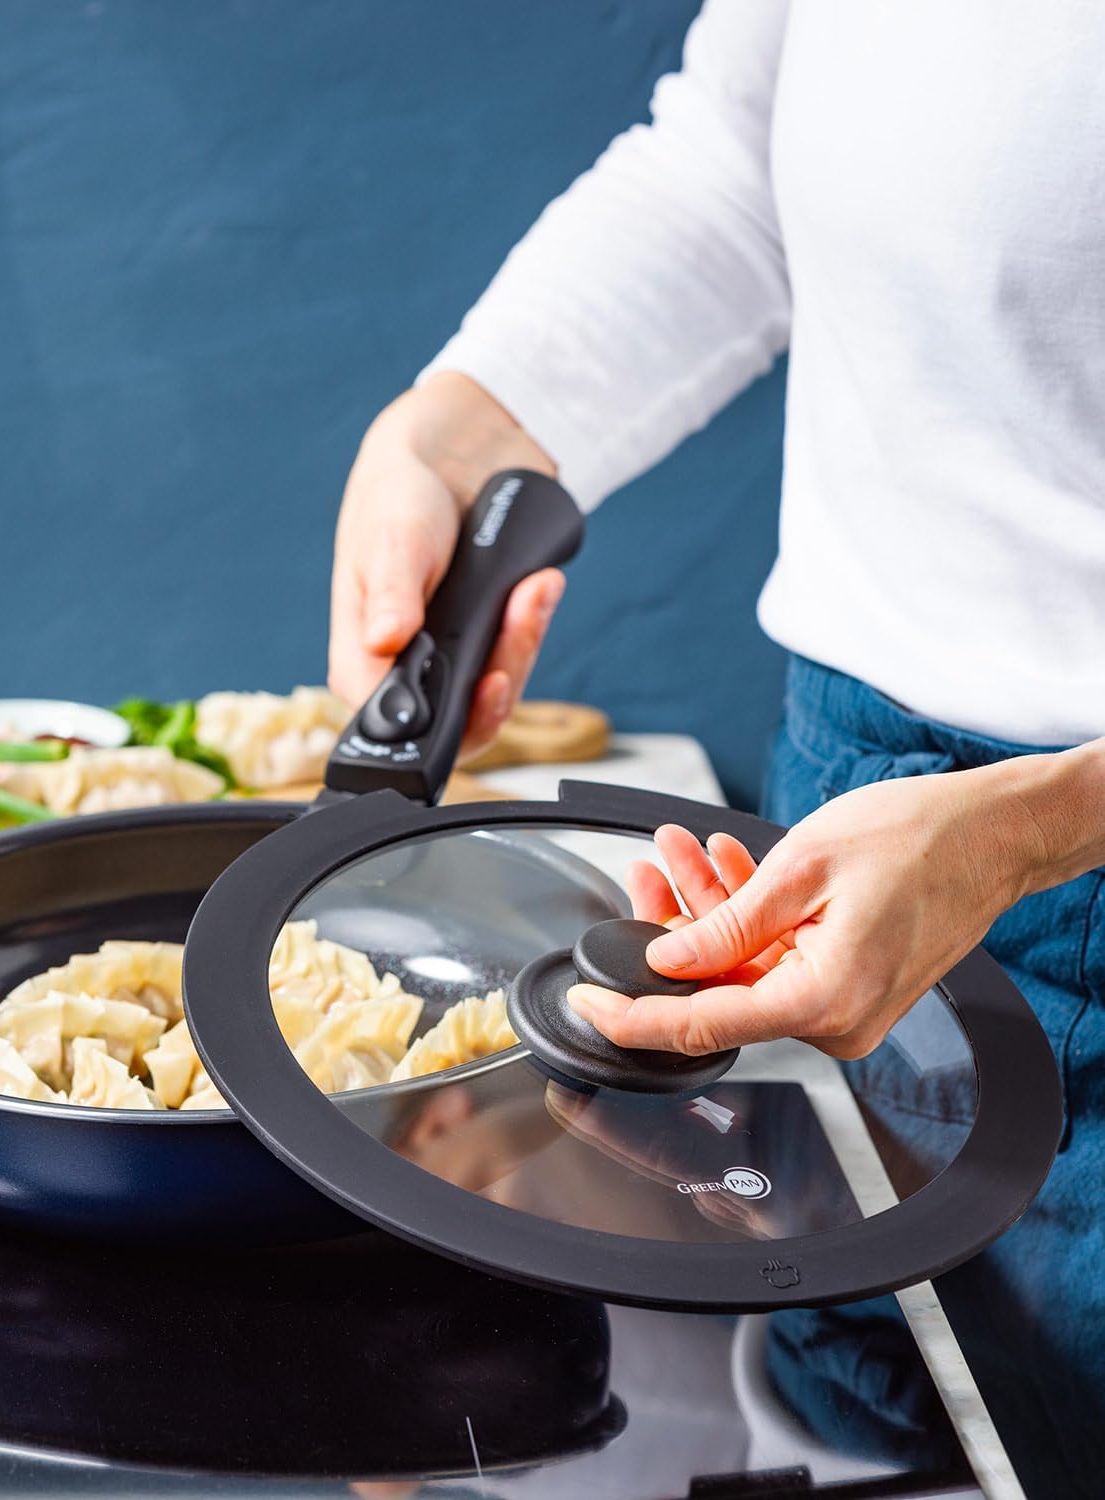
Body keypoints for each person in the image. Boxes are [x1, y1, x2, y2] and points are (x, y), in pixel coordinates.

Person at [327, 2, 1105, 1492]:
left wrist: (1026, 829)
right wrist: (464, 424)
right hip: (845, 791)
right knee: (851, 1426)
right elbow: (739, 163)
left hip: (1077, 838)